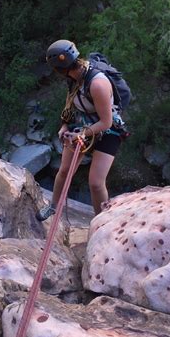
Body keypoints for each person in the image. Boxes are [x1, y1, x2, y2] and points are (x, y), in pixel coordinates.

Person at [36, 39, 125, 221]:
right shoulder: (74, 77)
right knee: (64, 170)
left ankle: (102, 222)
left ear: (60, 69)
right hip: (83, 126)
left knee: (96, 183)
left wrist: (82, 134)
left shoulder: (97, 84)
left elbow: (106, 122)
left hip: (108, 130)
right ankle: (53, 207)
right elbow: (71, 104)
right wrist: (65, 126)